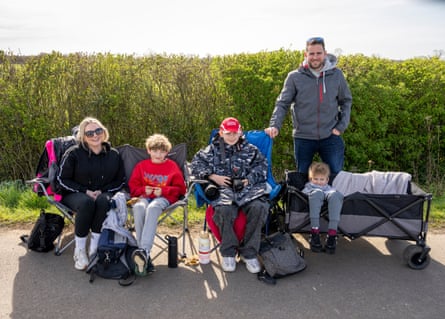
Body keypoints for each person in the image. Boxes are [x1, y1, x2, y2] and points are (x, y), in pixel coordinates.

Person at [191, 117, 269, 273]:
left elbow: (263, 167)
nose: (232, 136)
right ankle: (228, 252)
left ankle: (249, 253)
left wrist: (248, 180)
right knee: (223, 210)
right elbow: (194, 165)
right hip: (223, 189)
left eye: (235, 133)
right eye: (228, 133)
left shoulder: (251, 149)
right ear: (221, 132)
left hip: (247, 189)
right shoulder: (211, 150)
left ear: (240, 132)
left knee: (259, 207)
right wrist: (213, 177)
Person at [265, 36, 352, 175]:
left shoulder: (337, 75)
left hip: (330, 136)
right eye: (311, 53)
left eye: (319, 53)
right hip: (303, 137)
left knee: (335, 177)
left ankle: (331, 198)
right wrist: (275, 125)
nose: (315, 57)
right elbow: (282, 103)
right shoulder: (294, 77)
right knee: (302, 178)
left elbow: (346, 101)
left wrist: (341, 126)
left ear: (325, 53)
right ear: (306, 54)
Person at [57, 117, 125, 270]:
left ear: (104, 132)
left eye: (98, 131)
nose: (95, 135)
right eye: (89, 133)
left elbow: (120, 181)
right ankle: (80, 251)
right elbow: (62, 179)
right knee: (86, 203)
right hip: (75, 194)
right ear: (83, 136)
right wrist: (85, 191)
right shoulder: (73, 153)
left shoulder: (113, 154)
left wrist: (102, 191)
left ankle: (95, 248)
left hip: (103, 192)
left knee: (103, 201)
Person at [128, 134, 186, 276]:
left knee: (153, 207)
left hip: (163, 199)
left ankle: (143, 252)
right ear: (149, 150)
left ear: (167, 152)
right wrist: (143, 190)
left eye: (162, 151)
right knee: (138, 207)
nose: (158, 154)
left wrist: (164, 190)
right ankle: (143, 257)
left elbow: (181, 189)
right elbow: (132, 187)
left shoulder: (172, 167)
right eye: (155, 151)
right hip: (144, 197)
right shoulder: (141, 166)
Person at [302, 162, 343, 254]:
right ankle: (314, 233)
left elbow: (332, 192)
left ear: (327, 179)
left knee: (337, 195)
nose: (319, 182)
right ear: (310, 179)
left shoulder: (328, 188)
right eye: (315, 179)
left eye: (322, 179)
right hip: (314, 197)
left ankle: (332, 235)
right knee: (316, 193)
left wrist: (333, 194)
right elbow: (303, 193)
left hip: (328, 195)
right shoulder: (309, 187)